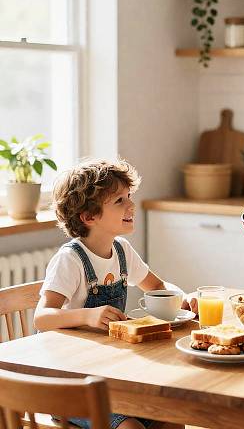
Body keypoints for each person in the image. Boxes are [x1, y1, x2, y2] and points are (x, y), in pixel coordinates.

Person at [34, 158, 197, 429]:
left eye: (129, 196)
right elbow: (41, 317)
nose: (131, 205)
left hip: (109, 375)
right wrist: (88, 316)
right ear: (89, 217)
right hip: (70, 387)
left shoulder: (121, 251)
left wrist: (181, 298)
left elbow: (156, 287)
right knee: (130, 427)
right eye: (119, 201)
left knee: (173, 420)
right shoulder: (71, 260)